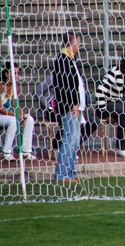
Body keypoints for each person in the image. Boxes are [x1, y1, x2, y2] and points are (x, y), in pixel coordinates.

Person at [35, 74, 99, 158]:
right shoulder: (55, 77)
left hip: (74, 108)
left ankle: (71, 147)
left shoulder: (76, 77)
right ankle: (57, 147)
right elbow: (37, 91)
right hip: (55, 110)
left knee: (94, 121)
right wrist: (49, 107)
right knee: (69, 118)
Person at [0, 62, 37, 162]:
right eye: (14, 73)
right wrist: (16, 115)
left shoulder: (14, 86)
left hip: (7, 115)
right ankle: (7, 152)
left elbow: (14, 106)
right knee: (13, 120)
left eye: (18, 73)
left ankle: (26, 151)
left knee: (30, 119)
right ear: (7, 74)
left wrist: (22, 114)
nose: (17, 76)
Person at [53, 31, 86, 182]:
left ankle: (71, 173)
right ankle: (61, 174)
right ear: (72, 44)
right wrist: (73, 103)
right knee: (68, 139)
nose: (79, 46)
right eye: (78, 43)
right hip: (68, 107)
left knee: (74, 139)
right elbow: (65, 86)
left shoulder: (70, 60)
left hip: (74, 107)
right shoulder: (63, 60)